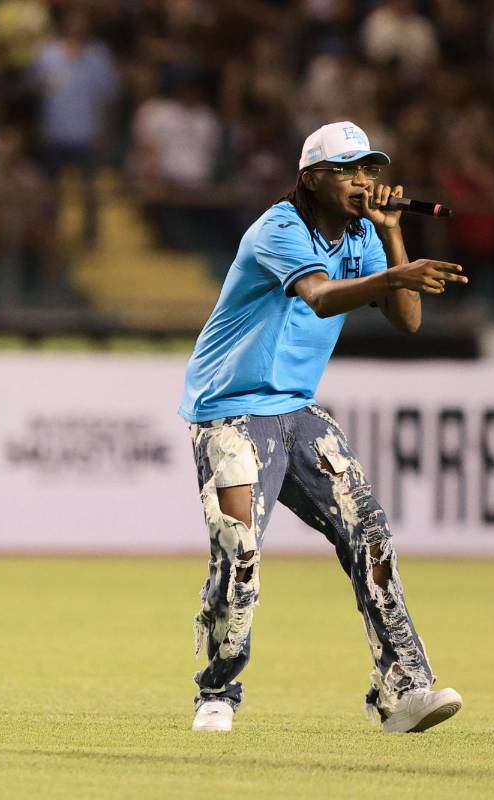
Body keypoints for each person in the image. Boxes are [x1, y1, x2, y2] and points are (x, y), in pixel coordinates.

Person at [180, 122, 466, 734]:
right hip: (230, 407)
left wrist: (393, 238)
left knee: (370, 533)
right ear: (311, 178)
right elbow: (318, 295)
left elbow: (407, 321)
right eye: (347, 170)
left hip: (296, 408)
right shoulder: (278, 227)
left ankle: (403, 689)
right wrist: (395, 277)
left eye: (369, 168)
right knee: (241, 548)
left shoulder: (365, 233)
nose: (364, 180)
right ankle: (218, 691)